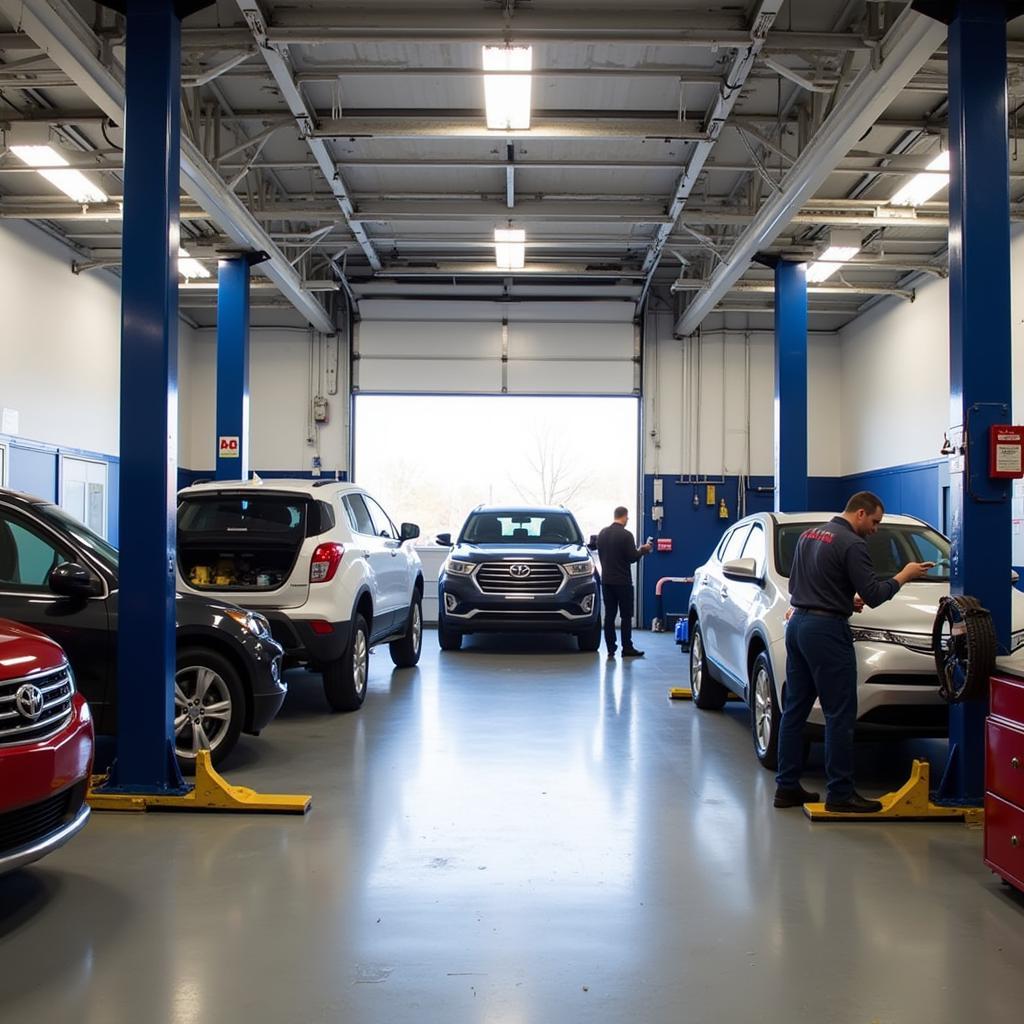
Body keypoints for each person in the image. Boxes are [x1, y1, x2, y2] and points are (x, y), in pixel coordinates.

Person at [774, 492, 933, 813]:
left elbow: (796, 587)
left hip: (799, 625)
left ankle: (786, 787)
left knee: (794, 710)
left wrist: (844, 600)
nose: (875, 529)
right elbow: (874, 595)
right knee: (839, 714)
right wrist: (904, 575)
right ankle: (840, 793)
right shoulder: (852, 544)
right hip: (827, 632)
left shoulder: (808, 535)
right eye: (874, 522)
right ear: (860, 513)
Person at [597, 506, 652, 658]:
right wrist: (643, 549)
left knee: (609, 615)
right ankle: (627, 648)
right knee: (626, 616)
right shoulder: (626, 535)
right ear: (624, 516)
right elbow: (632, 557)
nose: (627, 520)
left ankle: (610, 648)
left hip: (607, 581)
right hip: (623, 582)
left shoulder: (602, 533)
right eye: (627, 518)